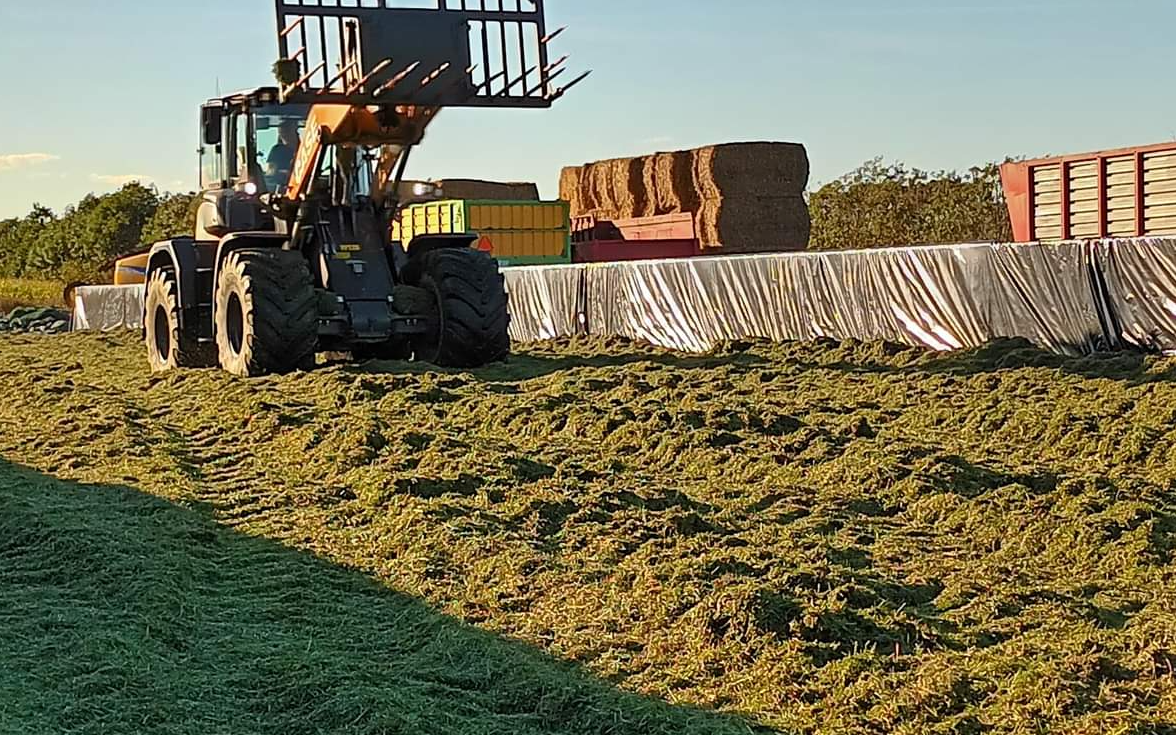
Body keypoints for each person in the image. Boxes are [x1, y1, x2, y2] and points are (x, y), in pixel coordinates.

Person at [266, 120, 301, 189]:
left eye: (286, 132)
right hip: (281, 185)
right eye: (281, 133)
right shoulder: (277, 150)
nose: (283, 136)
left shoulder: (304, 150)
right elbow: (271, 171)